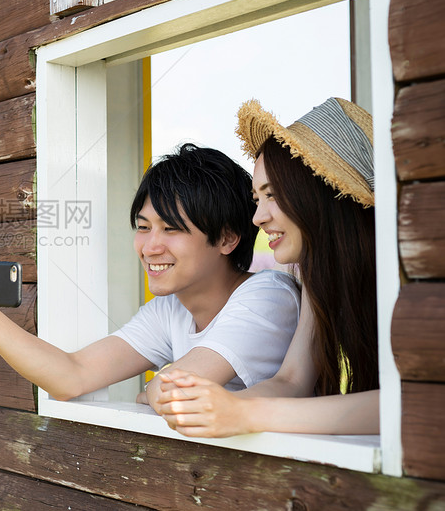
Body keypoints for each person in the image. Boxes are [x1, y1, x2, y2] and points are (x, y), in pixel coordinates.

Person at [0, 143, 300, 406]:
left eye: (171, 229)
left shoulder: (269, 295)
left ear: (226, 238)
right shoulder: (172, 309)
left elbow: (174, 390)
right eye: (144, 227)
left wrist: (154, 392)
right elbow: (72, 375)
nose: (150, 247)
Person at [157, 97, 379, 436]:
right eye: (257, 199)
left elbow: (415, 403)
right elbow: (292, 381)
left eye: (272, 194)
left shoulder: (412, 278)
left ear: (323, 191)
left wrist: (249, 415)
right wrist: (223, 407)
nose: (258, 218)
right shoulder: (318, 280)